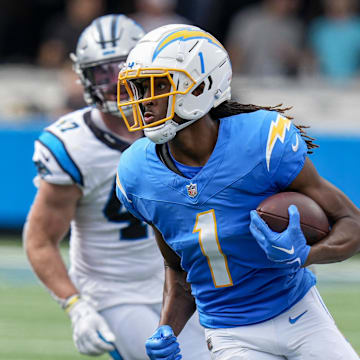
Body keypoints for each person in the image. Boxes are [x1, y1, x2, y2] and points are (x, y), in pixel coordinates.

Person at [115, 24, 360, 359]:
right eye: (140, 88)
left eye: (158, 86)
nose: (145, 101)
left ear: (200, 86)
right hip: (230, 334)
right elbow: (179, 270)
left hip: (300, 314)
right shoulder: (137, 174)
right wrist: (167, 328)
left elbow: (352, 223)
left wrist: (304, 256)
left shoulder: (262, 141)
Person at [24, 15, 209, 360]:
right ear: (84, 77)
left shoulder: (181, 122)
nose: (113, 84)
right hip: (116, 292)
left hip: (184, 280)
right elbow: (40, 239)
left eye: (122, 70)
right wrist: (75, 305)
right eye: (101, 73)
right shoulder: (73, 145)